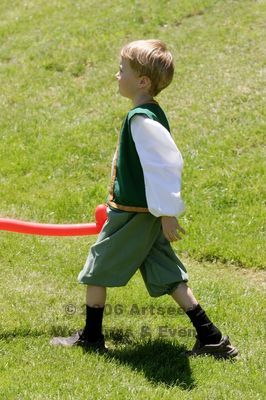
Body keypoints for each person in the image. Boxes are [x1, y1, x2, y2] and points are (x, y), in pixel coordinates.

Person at [51, 39, 238, 359]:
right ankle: (211, 337)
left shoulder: (141, 118)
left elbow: (166, 164)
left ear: (142, 81)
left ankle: (92, 337)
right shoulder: (148, 114)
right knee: (167, 274)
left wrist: (167, 212)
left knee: (97, 269)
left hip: (133, 214)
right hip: (142, 212)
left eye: (122, 70)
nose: (116, 75)